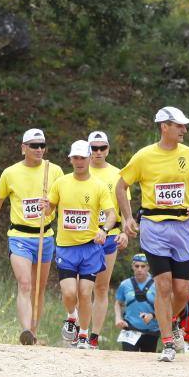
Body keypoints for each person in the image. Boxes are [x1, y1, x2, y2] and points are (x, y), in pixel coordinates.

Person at [117, 106, 189, 362]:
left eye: (184, 126)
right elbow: (121, 185)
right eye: (179, 126)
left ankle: (170, 319)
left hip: (183, 228)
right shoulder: (144, 156)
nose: (184, 130)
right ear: (164, 127)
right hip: (154, 226)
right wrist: (126, 218)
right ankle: (167, 343)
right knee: (164, 286)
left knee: (182, 290)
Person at [0, 128, 64, 345]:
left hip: (45, 236)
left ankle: (33, 332)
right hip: (19, 236)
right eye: (34, 145)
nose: (39, 149)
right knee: (25, 284)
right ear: (23, 148)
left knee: (38, 288)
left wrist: (51, 206)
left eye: (42, 145)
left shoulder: (54, 171)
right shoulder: (10, 173)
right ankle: (25, 330)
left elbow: (64, 200)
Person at [43, 140, 116, 349]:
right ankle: (71, 315)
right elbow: (50, 210)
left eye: (83, 157)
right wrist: (45, 206)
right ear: (70, 159)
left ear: (89, 158)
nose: (79, 161)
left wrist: (104, 230)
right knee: (69, 293)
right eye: (75, 158)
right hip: (66, 247)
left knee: (85, 292)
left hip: (90, 248)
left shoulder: (99, 186)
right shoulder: (61, 183)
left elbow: (111, 214)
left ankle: (83, 335)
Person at [87, 130, 130, 349]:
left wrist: (124, 231)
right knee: (80, 288)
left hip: (109, 237)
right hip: (82, 237)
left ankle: (93, 336)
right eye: (93, 148)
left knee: (101, 288)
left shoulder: (117, 174)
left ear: (108, 149)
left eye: (102, 148)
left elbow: (125, 207)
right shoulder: (80, 171)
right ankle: (78, 330)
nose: (98, 152)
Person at [115, 253, 160, 352]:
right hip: (130, 329)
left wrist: (152, 315)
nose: (140, 269)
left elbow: (164, 307)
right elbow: (118, 303)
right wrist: (118, 318)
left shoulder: (157, 285)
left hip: (151, 331)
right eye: (137, 266)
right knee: (128, 360)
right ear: (132, 266)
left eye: (143, 266)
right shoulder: (125, 284)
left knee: (147, 363)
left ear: (148, 267)